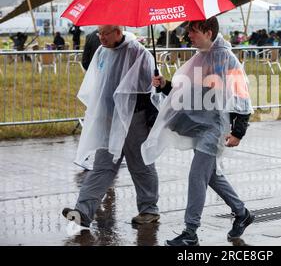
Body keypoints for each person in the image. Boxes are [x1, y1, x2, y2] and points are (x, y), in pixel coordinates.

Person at [142, 16, 254, 246]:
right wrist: (164, 85)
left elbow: (242, 95)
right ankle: (242, 213)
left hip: (214, 128)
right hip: (201, 126)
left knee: (197, 176)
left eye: (193, 31)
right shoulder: (201, 57)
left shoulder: (225, 58)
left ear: (208, 32)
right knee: (209, 176)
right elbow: (185, 89)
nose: (188, 36)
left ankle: (190, 233)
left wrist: (238, 132)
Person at [62, 25, 160, 228]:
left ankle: (149, 209)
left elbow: (149, 88)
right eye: (99, 33)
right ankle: (83, 211)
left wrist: (150, 115)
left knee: (140, 164)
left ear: (118, 32)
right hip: (110, 117)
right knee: (102, 166)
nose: (101, 37)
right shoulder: (102, 51)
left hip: (135, 118)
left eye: (105, 33)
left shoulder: (138, 52)